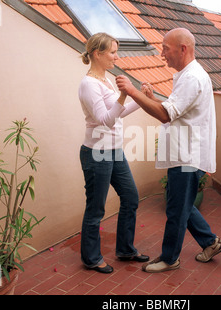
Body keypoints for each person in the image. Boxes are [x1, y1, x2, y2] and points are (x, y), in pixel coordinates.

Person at [116, 28, 221, 273]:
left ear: (183, 48)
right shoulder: (187, 76)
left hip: (187, 156)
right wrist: (152, 98)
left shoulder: (193, 79)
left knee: (176, 209)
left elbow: (165, 114)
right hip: (184, 153)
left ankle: (169, 258)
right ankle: (210, 242)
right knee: (183, 204)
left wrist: (132, 92)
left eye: (166, 48)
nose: (162, 53)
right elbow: (172, 109)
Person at [78, 32, 149, 274]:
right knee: (96, 208)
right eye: (112, 52)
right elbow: (105, 120)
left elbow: (118, 112)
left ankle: (125, 249)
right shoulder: (88, 84)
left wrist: (141, 98)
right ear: (97, 54)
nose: (116, 57)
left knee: (130, 197)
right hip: (97, 153)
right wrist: (124, 94)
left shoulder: (106, 80)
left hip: (114, 151)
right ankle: (91, 258)